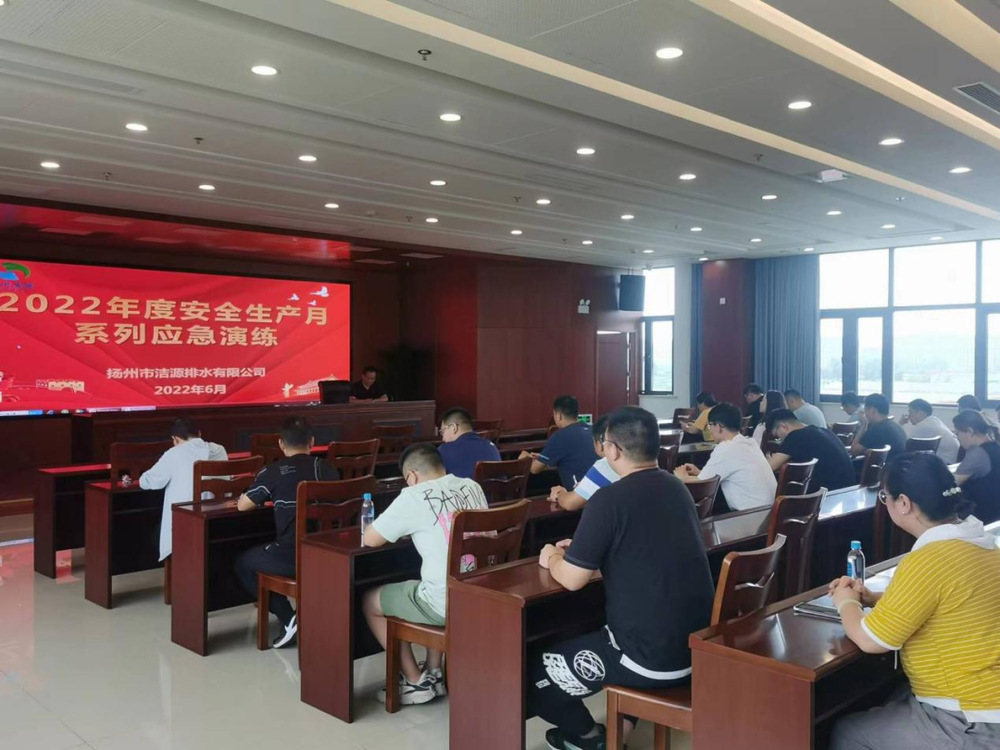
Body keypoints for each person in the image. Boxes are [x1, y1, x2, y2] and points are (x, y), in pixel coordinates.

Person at [529, 407, 714, 750]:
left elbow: (572, 580)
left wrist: (553, 556)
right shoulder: (676, 488)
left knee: (532, 675)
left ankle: (589, 738)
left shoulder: (608, 499)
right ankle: (622, 731)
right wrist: (587, 550)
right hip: (695, 651)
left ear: (612, 450)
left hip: (645, 659)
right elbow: (643, 549)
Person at [828, 453, 1000, 750]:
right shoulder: (982, 544)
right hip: (987, 700)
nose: (886, 504)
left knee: (848, 732)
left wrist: (846, 602)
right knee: (894, 696)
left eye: (885, 497)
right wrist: (876, 599)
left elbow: (871, 640)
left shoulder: (929, 559)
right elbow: (951, 598)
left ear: (904, 503)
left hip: (970, 718)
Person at [361, 443, 488, 705]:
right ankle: (434, 672)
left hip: (446, 601)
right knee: (430, 582)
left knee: (370, 601)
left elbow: (370, 539)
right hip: (482, 593)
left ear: (412, 476)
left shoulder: (413, 495)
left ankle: (414, 681)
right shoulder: (472, 486)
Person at [234, 417, 338, 648]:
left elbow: (243, 506)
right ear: (312, 442)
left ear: (281, 444)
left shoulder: (273, 472)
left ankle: (287, 616)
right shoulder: (328, 469)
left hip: (293, 556)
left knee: (243, 562)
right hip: (330, 553)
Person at [139, 417, 228, 562]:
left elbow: (150, 482)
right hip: (218, 516)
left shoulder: (175, 453)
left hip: (189, 520)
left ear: (175, 439)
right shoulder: (219, 450)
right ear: (199, 433)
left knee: (155, 534)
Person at [675, 402, 777, 511]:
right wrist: (699, 472)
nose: (709, 430)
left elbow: (702, 486)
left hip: (750, 515)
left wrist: (682, 477)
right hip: (768, 511)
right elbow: (721, 474)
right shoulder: (749, 443)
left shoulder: (726, 448)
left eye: (710, 426)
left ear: (719, 427)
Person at [765, 409, 856, 493]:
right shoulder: (823, 431)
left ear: (783, 427)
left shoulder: (795, 436)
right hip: (847, 490)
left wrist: (769, 459)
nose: (780, 440)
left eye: (777, 436)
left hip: (828, 495)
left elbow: (769, 468)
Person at [520, 395, 597, 490]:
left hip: (580, 494)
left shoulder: (560, 436)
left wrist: (525, 458)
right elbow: (575, 457)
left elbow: (534, 469)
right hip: (600, 489)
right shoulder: (593, 431)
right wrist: (545, 457)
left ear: (558, 415)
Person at [548, 415, 620, 512]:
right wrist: (585, 488)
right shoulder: (635, 463)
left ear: (599, 444)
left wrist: (559, 494)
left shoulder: (605, 465)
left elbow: (570, 503)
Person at [953, 410, 1000, 525]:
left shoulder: (978, 453)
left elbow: (952, 482)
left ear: (970, 431)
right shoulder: (995, 446)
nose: (957, 438)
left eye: (958, 433)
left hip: (983, 515)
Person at [436, 406, 501, 479]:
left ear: (453, 427)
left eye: (443, 431)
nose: (443, 438)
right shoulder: (492, 447)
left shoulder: (444, 450)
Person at [900, 399, 960, 464]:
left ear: (920, 413)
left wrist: (900, 424)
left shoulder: (923, 426)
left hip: (946, 463)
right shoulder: (933, 421)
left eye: (911, 412)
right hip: (950, 461)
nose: (908, 416)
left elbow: (903, 445)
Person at [851, 393, 907, 458]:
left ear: (873, 410)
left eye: (865, 410)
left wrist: (863, 425)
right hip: (895, 463)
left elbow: (854, 451)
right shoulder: (896, 426)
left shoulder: (877, 429)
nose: (865, 413)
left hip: (886, 464)